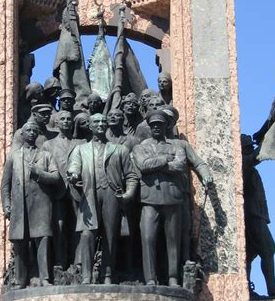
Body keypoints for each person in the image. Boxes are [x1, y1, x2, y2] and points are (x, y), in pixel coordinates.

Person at [133, 109, 212, 286]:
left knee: (173, 241)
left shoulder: (178, 145)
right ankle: (150, 279)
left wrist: (205, 173)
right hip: (149, 199)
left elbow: (180, 165)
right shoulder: (140, 147)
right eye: (153, 125)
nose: (156, 128)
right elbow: (143, 165)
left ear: (166, 126)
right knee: (147, 239)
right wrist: (165, 159)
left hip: (173, 198)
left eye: (160, 125)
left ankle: (173, 277)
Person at [67, 113, 139, 284]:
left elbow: (131, 175)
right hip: (89, 194)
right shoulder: (80, 149)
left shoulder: (119, 149)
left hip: (111, 195)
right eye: (96, 122)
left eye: (103, 122)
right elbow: (74, 166)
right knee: (86, 235)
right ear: (90, 126)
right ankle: (86, 275)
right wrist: (74, 175)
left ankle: (107, 274)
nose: (100, 124)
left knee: (110, 235)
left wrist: (128, 194)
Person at [1, 121, 60, 288]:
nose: (32, 133)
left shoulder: (45, 155)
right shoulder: (13, 156)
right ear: (23, 134)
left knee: (42, 241)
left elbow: (56, 177)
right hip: (20, 206)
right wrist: (6, 204)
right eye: (29, 131)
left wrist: (39, 173)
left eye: (35, 131)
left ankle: (45, 278)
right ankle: (20, 280)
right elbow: (5, 184)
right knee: (20, 244)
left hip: (40, 204)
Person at [241, 134, 275, 297]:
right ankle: (272, 288)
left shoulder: (250, 169)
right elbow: (257, 156)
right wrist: (272, 138)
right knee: (268, 248)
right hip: (252, 215)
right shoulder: (242, 164)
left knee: (250, 253)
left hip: (257, 214)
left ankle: (247, 289)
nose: (250, 151)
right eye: (247, 148)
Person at [41, 111, 78, 270]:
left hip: (77, 190)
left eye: (69, 119)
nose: (66, 122)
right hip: (57, 191)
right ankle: (60, 261)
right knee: (59, 226)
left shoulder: (81, 143)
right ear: (56, 123)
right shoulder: (48, 145)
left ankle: (78, 262)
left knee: (78, 226)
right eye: (62, 119)